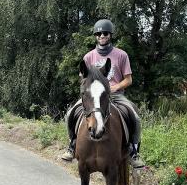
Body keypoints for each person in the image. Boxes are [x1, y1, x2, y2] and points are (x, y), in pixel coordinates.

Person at [61, 18, 145, 168]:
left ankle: (133, 151)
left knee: (136, 117)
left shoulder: (121, 55)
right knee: (70, 114)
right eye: (98, 33)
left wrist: (114, 87)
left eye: (105, 33)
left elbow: (128, 80)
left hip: (115, 95)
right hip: (93, 97)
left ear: (110, 35)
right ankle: (72, 145)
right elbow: (83, 80)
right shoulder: (88, 57)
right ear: (95, 36)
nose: (101, 36)